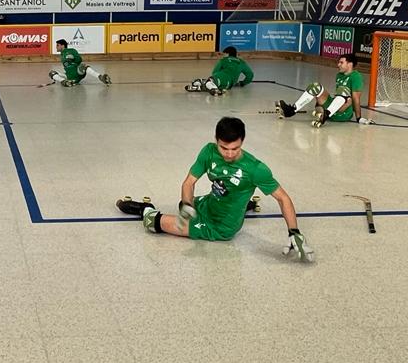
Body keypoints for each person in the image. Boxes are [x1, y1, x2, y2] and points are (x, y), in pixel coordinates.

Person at [116, 116, 313, 261]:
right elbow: (188, 183)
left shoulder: (255, 169)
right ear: (216, 140)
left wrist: (294, 232)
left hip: (220, 227)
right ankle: (244, 204)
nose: (228, 154)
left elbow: (283, 198)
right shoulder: (208, 151)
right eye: (223, 148)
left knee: (152, 223)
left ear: (242, 142)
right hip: (207, 204)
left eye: (234, 148)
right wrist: (186, 205)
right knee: (181, 204)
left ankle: (145, 209)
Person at [277, 53, 369, 128]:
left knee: (342, 89)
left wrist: (359, 118)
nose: (338, 65)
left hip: (344, 112)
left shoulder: (356, 77)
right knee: (315, 86)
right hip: (335, 106)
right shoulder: (339, 75)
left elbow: (356, 99)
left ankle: (325, 114)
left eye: (341, 62)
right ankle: (291, 110)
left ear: (350, 64)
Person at [185, 46, 254, 96]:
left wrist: (216, 76)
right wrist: (242, 83)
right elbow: (250, 74)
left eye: (224, 54)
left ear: (227, 54)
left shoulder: (223, 60)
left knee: (210, 80)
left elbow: (215, 72)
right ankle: (205, 86)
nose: (223, 56)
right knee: (210, 82)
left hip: (222, 77)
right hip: (229, 85)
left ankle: (214, 89)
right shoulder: (241, 62)